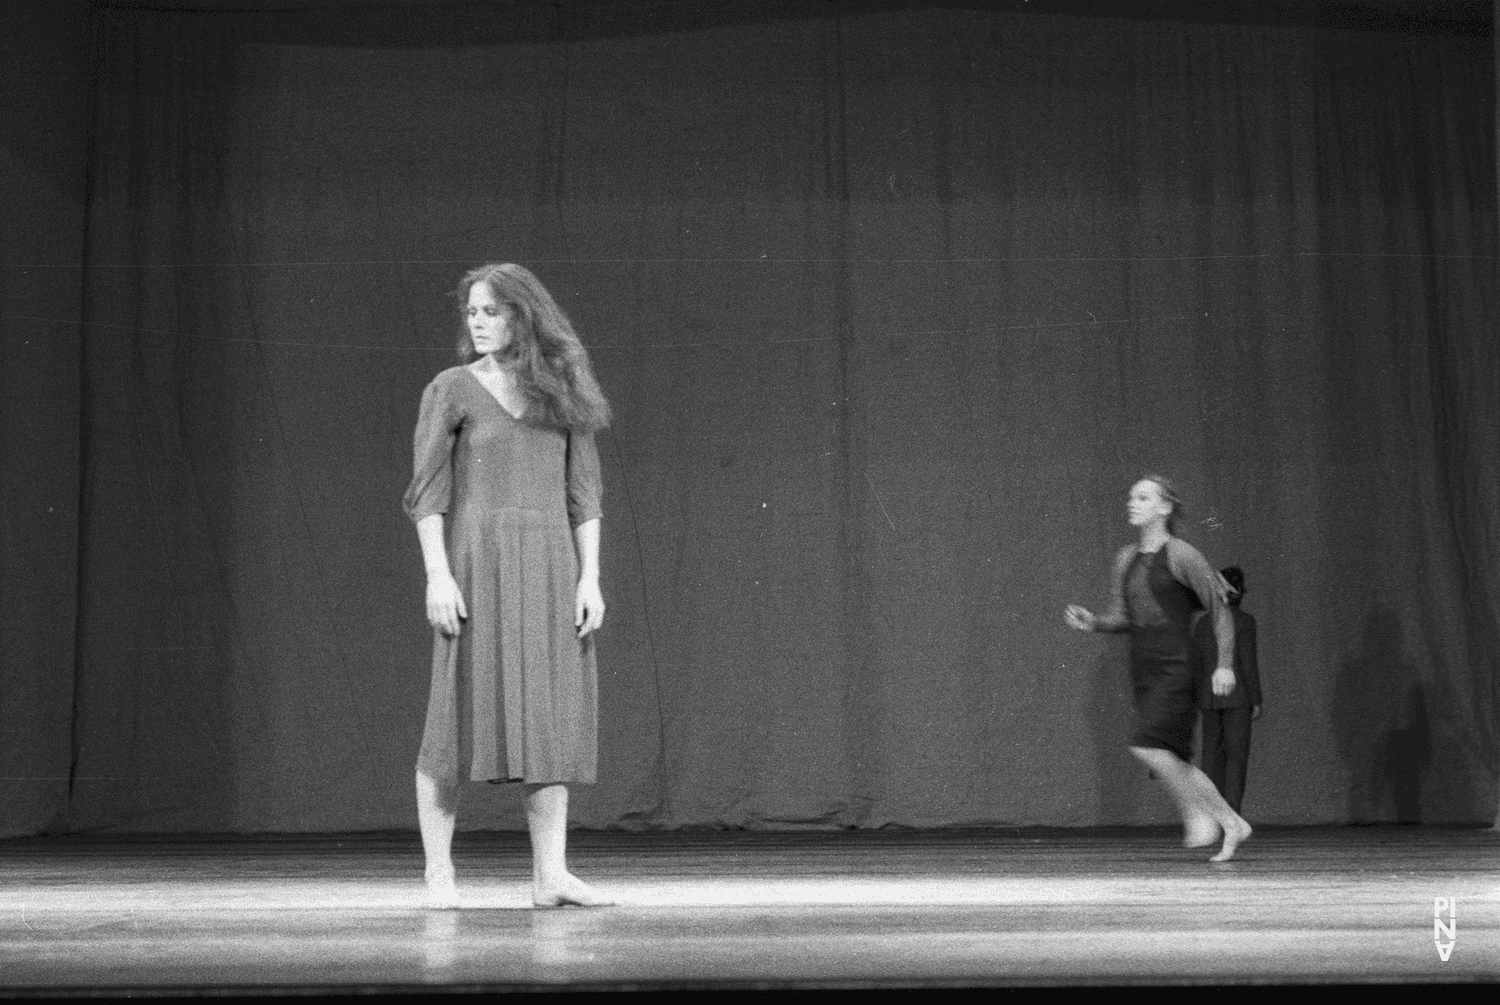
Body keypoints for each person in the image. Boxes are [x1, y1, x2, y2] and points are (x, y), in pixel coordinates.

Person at [403, 262, 614, 908]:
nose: (478, 321)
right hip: (476, 563)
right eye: (471, 311)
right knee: (454, 712)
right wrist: (437, 572)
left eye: (491, 310)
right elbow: (428, 492)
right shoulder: (452, 389)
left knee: (548, 714)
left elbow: (585, 493)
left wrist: (591, 579)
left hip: (551, 567)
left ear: (524, 314)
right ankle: (440, 874)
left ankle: (550, 875)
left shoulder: (564, 390)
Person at [1065, 475, 1252, 862]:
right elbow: (1124, 616)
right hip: (1144, 668)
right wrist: (1094, 621)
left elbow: (1219, 610)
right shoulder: (1125, 558)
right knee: (1167, 754)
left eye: (1143, 497)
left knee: (1149, 746)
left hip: (1177, 666)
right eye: (1131, 496)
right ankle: (1216, 819)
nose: (1132, 502)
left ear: (1164, 507)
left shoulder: (1181, 553)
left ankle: (1222, 819)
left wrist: (1225, 666)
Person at [1193, 566, 1261, 814]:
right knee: (1236, 758)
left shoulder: (1202, 624)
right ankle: (1231, 813)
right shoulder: (1245, 621)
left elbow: (1198, 664)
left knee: (1211, 757)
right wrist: (1256, 699)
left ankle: (1211, 813)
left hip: (1210, 698)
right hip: (1238, 697)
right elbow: (1248, 663)